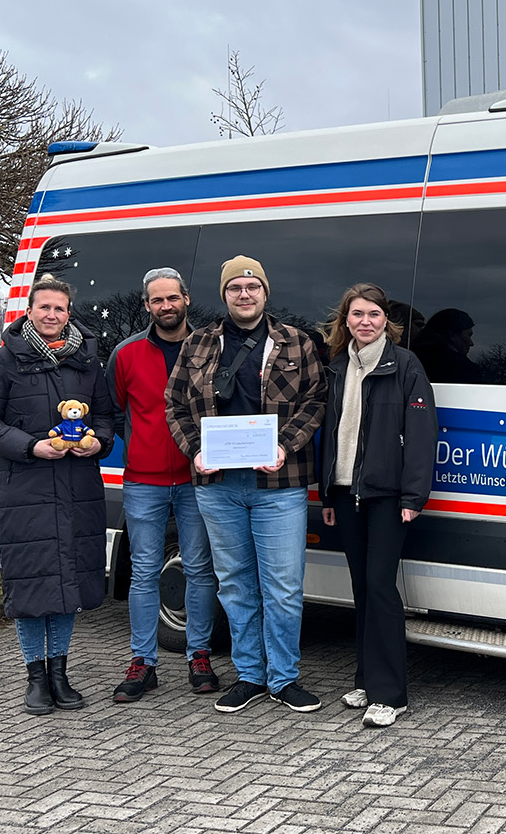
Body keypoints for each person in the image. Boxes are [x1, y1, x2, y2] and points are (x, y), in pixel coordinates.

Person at [167, 256, 327, 713]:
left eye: (252, 286)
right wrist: (194, 449)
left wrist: (286, 445)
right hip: (217, 485)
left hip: (280, 482)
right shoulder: (197, 344)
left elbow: (316, 399)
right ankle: (251, 676)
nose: (244, 294)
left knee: (282, 585)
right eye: (235, 287)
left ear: (265, 292)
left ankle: (284, 678)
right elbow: (173, 404)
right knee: (235, 584)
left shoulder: (296, 341)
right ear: (224, 295)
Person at [0, 273, 113, 716]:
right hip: (24, 489)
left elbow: (107, 417)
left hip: (77, 488)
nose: (52, 315)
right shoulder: (4, 361)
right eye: (44, 307)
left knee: (67, 581)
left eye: (60, 308)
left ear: (70, 314)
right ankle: (35, 676)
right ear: (29, 311)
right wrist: (31, 446)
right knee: (32, 583)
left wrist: (98, 443)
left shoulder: (88, 364)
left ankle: (61, 675)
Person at [318, 283, 437, 728]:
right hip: (346, 494)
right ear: (344, 320)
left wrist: (413, 496)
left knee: (381, 587)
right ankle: (367, 679)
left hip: (388, 497)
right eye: (356, 315)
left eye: (373, 314)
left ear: (387, 320)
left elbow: (423, 435)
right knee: (362, 589)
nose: (364, 322)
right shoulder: (336, 368)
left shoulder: (405, 366)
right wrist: (327, 493)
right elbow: (330, 434)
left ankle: (391, 694)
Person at [105, 267, 219, 702]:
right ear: (147, 304)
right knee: (144, 572)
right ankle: (143, 662)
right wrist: (140, 442)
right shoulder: (127, 353)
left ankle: (199, 656)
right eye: (157, 300)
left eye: (172, 298)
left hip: (197, 478)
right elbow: (113, 410)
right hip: (144, 481)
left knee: (199, 569)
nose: (165, 306)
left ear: (186, 298)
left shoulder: (210, 348)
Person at [413, 308, 481, 384]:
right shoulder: (463, 369)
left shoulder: (412, 361)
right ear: (452, 335)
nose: (471, 343)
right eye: (468, 335)